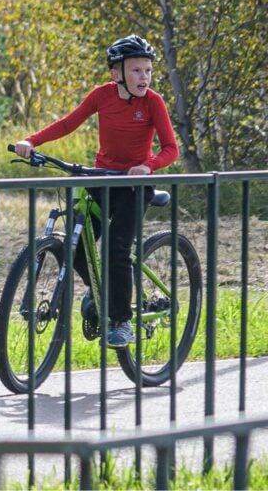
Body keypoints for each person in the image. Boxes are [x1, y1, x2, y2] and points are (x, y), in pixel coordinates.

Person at [13, 34, 179, 349]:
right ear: (116, 73)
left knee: (117, 251)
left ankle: (122, 322)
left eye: (147, 70)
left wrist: (149, 166)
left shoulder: (153, 102)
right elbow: (66, 124)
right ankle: (100, 292)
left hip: (133, 185)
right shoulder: (101, 96)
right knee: (72, 246)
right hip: (101, 178)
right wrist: (31, 141)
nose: (144, 77)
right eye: (136, 70)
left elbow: (171, 148)